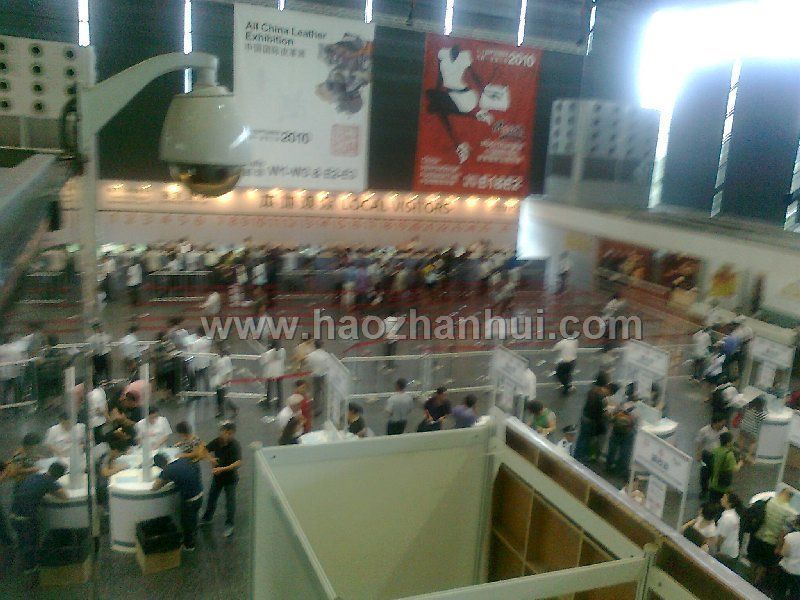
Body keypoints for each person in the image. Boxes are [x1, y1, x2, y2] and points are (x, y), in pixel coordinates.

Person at [9, 462, 68, 572]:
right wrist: (52, 489)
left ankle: (18, 564)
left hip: (13, 514)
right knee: (31, 543)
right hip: (26, 519)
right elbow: (65, 497)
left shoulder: (35, 476)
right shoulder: (50, 482)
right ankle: (30, 569)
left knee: (22, 541)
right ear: (59, 476)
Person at [152, 453, 203, 551]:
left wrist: (164, 479)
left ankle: (189, 545)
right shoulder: (182, 460)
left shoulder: (167, 471)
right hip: (199, 492)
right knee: (194, 517)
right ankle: (195, 533)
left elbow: (155, 487)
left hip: (190, 500)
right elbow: (195, 468)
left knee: (186, 522)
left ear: (159, 466)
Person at [201, 422, 242, 538]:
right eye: (223, 432)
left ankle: (230, 524)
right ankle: (207, 517)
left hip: (230, 479)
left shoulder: (235, 445)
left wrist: (222, 469)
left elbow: (238, 462)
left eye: (228, 433)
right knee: (212, 497)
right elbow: (205, 450)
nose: (224, 435)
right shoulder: (217, 441)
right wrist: (211, 459)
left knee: (230, 502)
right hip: (217, 477)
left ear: (232, 433)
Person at [749, 488, 796, 587]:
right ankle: (756, 582)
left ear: (781, 493)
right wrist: (779, 547)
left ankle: (749, 576)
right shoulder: (790, 512)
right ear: (790, 498)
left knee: (754, 559)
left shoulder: (769, 502)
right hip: (771, 542)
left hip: (758, 535)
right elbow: (783, 531)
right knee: (764, 564)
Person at [606, 392, 640, 477]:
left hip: (616, 431)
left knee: (612, 450)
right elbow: (636, 424)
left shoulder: (622, 404)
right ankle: (620, 470)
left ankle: (608, 467)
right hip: (628, 433)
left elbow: (613, 413)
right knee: (625, 452)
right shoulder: (637, 410)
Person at [695, 414, 728, 500]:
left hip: (719, 456)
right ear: (715, 423)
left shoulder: (724, 430)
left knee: (716, 474)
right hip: (707, 455)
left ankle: (714, 492)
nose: (723, 426)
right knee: (704, 474)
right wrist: (698, 454)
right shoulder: (704, 430)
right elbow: (699, 442)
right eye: (721, 423)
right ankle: (704, 491)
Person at [574, 387, 610, 464]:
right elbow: (600, 414)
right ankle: (586, 457)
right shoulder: (601, 399)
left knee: (581, 438)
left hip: (585, 418)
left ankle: (576, 456)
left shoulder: (592, 392)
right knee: (589, 441)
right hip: (592, 422)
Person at [708, 432, 743, 504]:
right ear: (728, 443)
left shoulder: (715, 450)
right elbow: (735, 469)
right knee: (723, 504)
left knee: (712, 503)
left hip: (713, 482)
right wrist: (740, 463)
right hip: (723, 486)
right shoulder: (729, 455)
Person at [715, 492, 743, 572]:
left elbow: (721, 537)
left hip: (725, 552)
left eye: (724, 498)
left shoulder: (727, 518)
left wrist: (716, 548)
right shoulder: (734, 515)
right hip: (732, 550)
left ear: (730, 503)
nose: (721, 499)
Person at [774, 514, 800, 599]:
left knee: (779, 591)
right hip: (798, 573)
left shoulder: (791, 536)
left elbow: (783, 553)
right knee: (795, 594)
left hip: (785, 567)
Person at [738, 396, 767, 464]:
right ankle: (748, 456)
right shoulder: (759, 412)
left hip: (743, 425)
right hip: (751, 429)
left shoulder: (747, 407)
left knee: (742, 439)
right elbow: (763, 418)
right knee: (753, 442)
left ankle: (740, 453)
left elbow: (742, 412)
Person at [305, 340, 330, 416]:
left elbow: (309, 365)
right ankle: (322, 406)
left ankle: (316, 406)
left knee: (315, 391)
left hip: (314, 375)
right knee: (323, 390)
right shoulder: (325, 355)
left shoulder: (311, 355)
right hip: (323, 375)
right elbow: (328, 366)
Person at [259, 339, 286, 408]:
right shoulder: (283, 351)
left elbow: (262, 361)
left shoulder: (269, 353)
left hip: (270, 373)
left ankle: (268, 403)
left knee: (269, 389)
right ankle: (279, 403)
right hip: (279, 372)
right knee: (279, 388)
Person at [213, 346, 236, 419]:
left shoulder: (226, 359)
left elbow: (228, 371)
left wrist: (224, 381)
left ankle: (233, 408)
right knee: (219, 397)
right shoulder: (218, 358)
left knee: (222, 397)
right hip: (218, 380)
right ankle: (221, 411)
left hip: (223, 381)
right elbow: (216, 368)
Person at [553, 330, 578, 396]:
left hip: (564, 362)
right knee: (568, 374)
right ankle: (569, 385)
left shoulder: (563, 342)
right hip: (572, 361)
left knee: (559, 374)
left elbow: (555, 348)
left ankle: (567, 387)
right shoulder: (575, 341)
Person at [189, 327, 213, 392]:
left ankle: (198, 392)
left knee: (198, 380)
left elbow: (192, 350)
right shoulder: (209, 340)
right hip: (206, 362)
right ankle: (208, 391)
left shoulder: (197, 342)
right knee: (206, 379)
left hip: (198, 364)